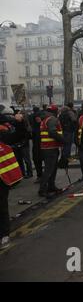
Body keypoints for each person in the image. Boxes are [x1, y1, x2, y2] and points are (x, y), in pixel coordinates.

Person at [0, 105, 24, 250]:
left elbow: (18, 136)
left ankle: (4, 234)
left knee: (1, 206)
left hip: (1, 178)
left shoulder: (2, 133)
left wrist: (19, 122)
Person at [38, 105, 64, 198]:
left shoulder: (44, 119)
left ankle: (51, 187)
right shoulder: (52, 119)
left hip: (47, 148)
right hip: (51, 148)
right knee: (49, 170)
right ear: (55, 111)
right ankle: (42, 189)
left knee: (51, 169)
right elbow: (52, 132)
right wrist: (62, 140)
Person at [58, 102, 77, 166]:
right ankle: (66, 159)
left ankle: (63, 158)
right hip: (69, 130)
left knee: (64, 145)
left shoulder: (61, 114)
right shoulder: (70, 112)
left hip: (63, 131)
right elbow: (74, 120)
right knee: (68, 145)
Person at [30, 106, 44, 183]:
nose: (37, 119)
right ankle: (40, 175)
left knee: (40, 160)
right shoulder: (34, 126)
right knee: (37, 160)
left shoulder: (43, 125)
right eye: (36, 118)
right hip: (37, 145)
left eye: (39, 118)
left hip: (42, 145)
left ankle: (42, 176)